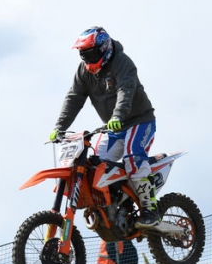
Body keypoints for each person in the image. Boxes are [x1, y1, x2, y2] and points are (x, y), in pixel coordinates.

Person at [50, 26, 159, 227]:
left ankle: (149, 208)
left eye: (91, 53)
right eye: (83, 54)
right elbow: (74, 98)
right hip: (113, 128)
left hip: (139, 121)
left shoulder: (122, 63)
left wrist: (117, 115)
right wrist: (60, 127)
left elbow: (126, 91)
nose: (87, 59)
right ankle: (115, 207)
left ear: (103, 49)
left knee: (132, 159)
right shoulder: (83, 71)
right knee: (94, 167)